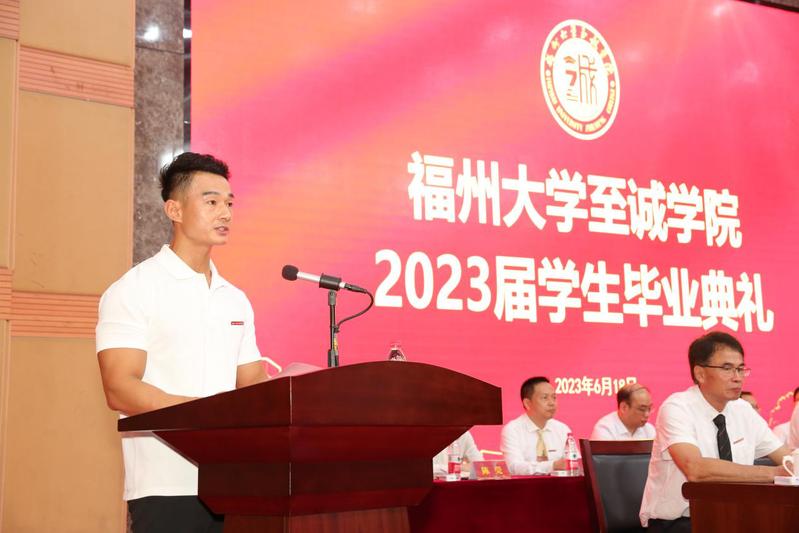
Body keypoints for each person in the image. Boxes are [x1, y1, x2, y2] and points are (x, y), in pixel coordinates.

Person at [96, 153, 268, 533]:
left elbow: (252, 382)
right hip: (165, 485)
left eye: (229, 203)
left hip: (234, 480)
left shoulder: (234, 299)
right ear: (174, 210)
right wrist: (204, 416)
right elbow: (119, 387)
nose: (225, 213)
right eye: (211, 202)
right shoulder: (134, 289)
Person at [639, 332, 791, 533]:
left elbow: (787, 458)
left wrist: (792, 465)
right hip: (679, 523)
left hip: (732, 516)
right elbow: (696, 469)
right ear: (700, 373)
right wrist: (774, 473)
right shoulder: (677, 408)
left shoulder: (743, 410)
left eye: (740, 369)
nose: (737, 378)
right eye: (727, 369)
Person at [500, 376, 573, 475]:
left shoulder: (562, 429)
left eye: (554, 397)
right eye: (545, 398)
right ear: (527, 403)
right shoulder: (512, 430)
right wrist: (553, 465)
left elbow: (575, 462)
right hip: (525, 484)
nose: (552, 403)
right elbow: (514, 467)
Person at [591, 383, 655, 440]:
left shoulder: (649, 430)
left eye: (649, 408)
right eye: (642, 409)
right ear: (624, 407)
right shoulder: (605, 429)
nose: (647, 414)